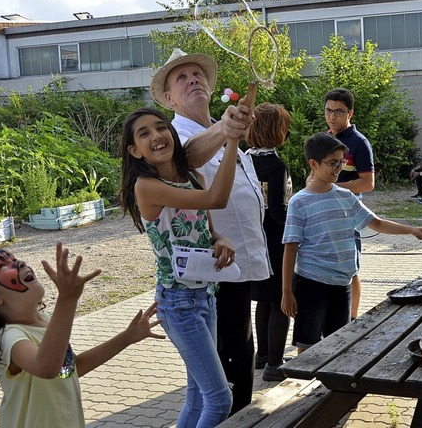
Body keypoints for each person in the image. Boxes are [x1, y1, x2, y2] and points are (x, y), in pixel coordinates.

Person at [150, 48, 266, 414]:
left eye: (197, 74)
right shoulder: (174, 137)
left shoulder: (221, 129)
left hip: (235, 264)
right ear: (169, 97)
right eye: (181, 78)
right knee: (224, 379)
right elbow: (187, 158)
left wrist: (227, 130)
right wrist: (225, 130)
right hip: (210, 273)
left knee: (235, 362)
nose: (192, 80)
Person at [120, 107, 242, 426]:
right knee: (219, 399)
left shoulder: (192, 177)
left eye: (161, 128)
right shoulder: (146, 186)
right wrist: (231, 141)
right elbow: (217, 198)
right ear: (134, 150)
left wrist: (220, 240)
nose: (157, 136)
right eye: (144, 133)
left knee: (199, 396)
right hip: (177, 302)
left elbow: (206, 225)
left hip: (205, 294)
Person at [0, 243, 163, 427]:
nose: (19, 262)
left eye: (13, 257)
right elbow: (46, 368)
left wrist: (127, 337)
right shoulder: (9, 337)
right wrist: (67, 299)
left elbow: (71, 369)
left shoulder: (46, 320)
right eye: (2, 265)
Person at [281, 133, 422, 354]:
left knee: (338, 344)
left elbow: (376, 223)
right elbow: (290, 248)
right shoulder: (299, 202)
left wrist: (411, 230)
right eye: (332, 163)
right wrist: (286, 292)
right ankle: (304, 385)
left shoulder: (346, 196)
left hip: (342, 285)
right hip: (312, 284)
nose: (338, 167)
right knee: (308, 347)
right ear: (313, 164)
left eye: (341, 162)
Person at [245, 103, 293, 382]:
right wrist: (296, 226)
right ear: (277, 131)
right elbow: (276, 208)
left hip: (252, 235)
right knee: (280, 301)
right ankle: (275, 364)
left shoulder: (243, 159)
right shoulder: (276, 165)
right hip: (274, 239)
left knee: (263, 300)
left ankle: (261, 355)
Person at [319, 88, 375, 320]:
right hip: (322, 212)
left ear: (350, 112)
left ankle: (352, 319)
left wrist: (333, 187)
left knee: (350, 270)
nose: (332, 117)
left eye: (338, 112)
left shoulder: (359, 143)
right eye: (328, 111)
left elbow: (367, 183)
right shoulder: (322, 139)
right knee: (324, 266)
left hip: (347, 214)